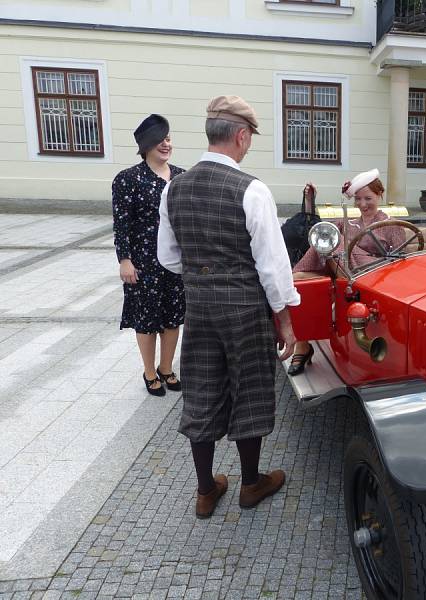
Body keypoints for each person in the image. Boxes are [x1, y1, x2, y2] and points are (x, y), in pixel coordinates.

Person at [157, 95, 299, 519]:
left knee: (201, 389)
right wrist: (287, 323)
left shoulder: (173, 187)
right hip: (245, 309)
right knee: (249, 391)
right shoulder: (251, 189)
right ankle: (250, 484)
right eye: (250, 138)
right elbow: (273, 267)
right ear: (240, 135)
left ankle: (206, 491)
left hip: (199, 307)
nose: (249, 144)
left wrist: (204, 275)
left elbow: (167, 256)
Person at [288, 169, 406, 375]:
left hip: (373, 278)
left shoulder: (391, 224)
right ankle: (302, 343)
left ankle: (340, 287)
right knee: (299, 280)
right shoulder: (349, 223)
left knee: (333, 240)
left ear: (380, 195)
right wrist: (309, 202)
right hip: (344, 275)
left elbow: (401, 263)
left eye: (368, 198)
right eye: (358, 199)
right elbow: (318, 230)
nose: (362, 204)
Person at [112, 114, 185, 397]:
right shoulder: (128, 180)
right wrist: (125, 260)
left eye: (167, 139)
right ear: (145, 146)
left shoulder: (181, 177)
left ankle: (167, 367)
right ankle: (150, 371)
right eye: (159, 141)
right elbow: (121, 223)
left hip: (176, 261)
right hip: (143, 261)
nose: (166, 145)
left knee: (172, 317)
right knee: (146, 318)